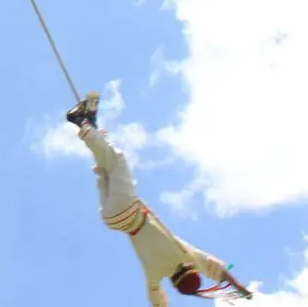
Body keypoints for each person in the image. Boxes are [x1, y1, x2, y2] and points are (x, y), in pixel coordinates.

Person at [66, 93, 253, 304]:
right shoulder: (154, 275)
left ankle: (80, 120)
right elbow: (158, 301)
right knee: (105, 168)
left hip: (128, 210)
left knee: (117, 161)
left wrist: (240, 288)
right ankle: (90, 125)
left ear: (189, 270)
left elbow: (216, 269)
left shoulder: (186, 257)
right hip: (113, 221)